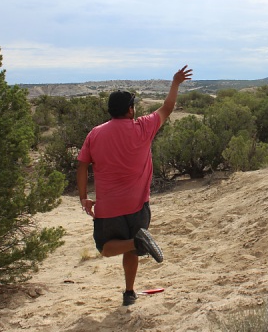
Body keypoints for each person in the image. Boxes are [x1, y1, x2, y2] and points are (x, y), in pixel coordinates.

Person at [76, 65, 193, 306]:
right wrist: (175, 83)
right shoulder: (142, 127)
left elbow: (82, 165)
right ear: (130, 110)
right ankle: (131, 281)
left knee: (106, 247)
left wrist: (83, 197)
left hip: (108, 208)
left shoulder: (95, 134)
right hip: (138, 205)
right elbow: (167, 108)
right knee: (132, 247)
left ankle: (130, 290)